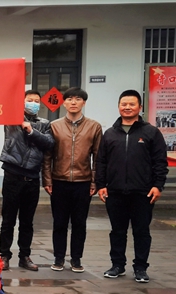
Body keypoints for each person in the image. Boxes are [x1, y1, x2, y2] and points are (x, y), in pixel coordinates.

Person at [96, 89, 168, 283]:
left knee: (141, 231)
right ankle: (117, 265)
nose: (127, 107)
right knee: (117, 231)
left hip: (143, 192)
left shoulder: (151, 132)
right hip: (115, 191)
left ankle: (140, 268)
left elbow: (160, 162)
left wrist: (158, 185)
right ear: (119, 107)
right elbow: (101, 161)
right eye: (124, 104)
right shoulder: (110, 134)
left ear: (140, 107)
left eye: (131, 104)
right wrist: (101, 185)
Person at [41, 87, 103, 273]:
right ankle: (59, 258)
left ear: (84, 102)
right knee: (59, 222)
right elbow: (47, 156)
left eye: (77, 99)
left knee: (79, 223)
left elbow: (98, 157)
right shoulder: (54, 126)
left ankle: (76, 259)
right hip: (59, 181)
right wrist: (47, 180)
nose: (73, 102)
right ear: (64, 102)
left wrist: (94, 182)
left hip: (83, 182)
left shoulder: (94, 127)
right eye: (69, 99)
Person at [0, 90, 54, 271]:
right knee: (8, 219)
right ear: (21, 102)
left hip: (32, 177)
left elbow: (49, 143)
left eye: (37, 101)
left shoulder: (44, 124)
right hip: (12, 175)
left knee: (27, 221)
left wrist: (31, 131)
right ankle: (4, 255)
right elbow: (6, 104)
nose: (33, 103)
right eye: (30, 100)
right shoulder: (12, 119)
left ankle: (24, 256)